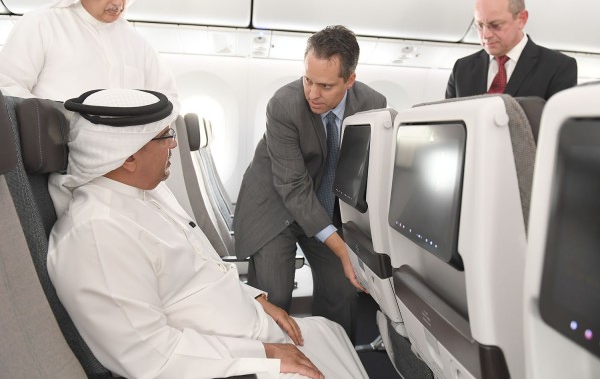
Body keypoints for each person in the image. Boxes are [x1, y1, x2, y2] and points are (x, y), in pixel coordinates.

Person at [47, 88, 368, 379]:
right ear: (128, 157)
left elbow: (200, 267)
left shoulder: (146, 194)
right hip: (227, 362)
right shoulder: (98, 234)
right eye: (165, 136)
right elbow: (152, 356)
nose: (174, 144)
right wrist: (264, 354)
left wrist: (256, 300)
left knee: (330, 331)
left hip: (248, 332)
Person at [233, 25, 387, 341]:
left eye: (326, 86)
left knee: (342, 290)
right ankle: (274, 362)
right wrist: (343, 251)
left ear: (350, 80)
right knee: (275, 296)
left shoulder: (373, 105)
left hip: (323, 209)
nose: (312, 93)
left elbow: (366, 174)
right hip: (274, 207)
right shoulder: (284, 105)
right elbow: (292, 186)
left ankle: (334, 357)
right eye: (308, 80)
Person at [0, 0, 179, 107]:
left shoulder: (136, 41)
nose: (118, 1)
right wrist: (58, 116)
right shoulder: (43, 24)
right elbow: (8, 87)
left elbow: (168, 98)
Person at [445, 0, 577, 100]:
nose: (485, 35)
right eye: (479, 25)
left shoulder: (558, 67)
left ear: (521, 19)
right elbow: (448, 118)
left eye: (495, 25)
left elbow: (557, 119)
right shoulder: (462, 69)